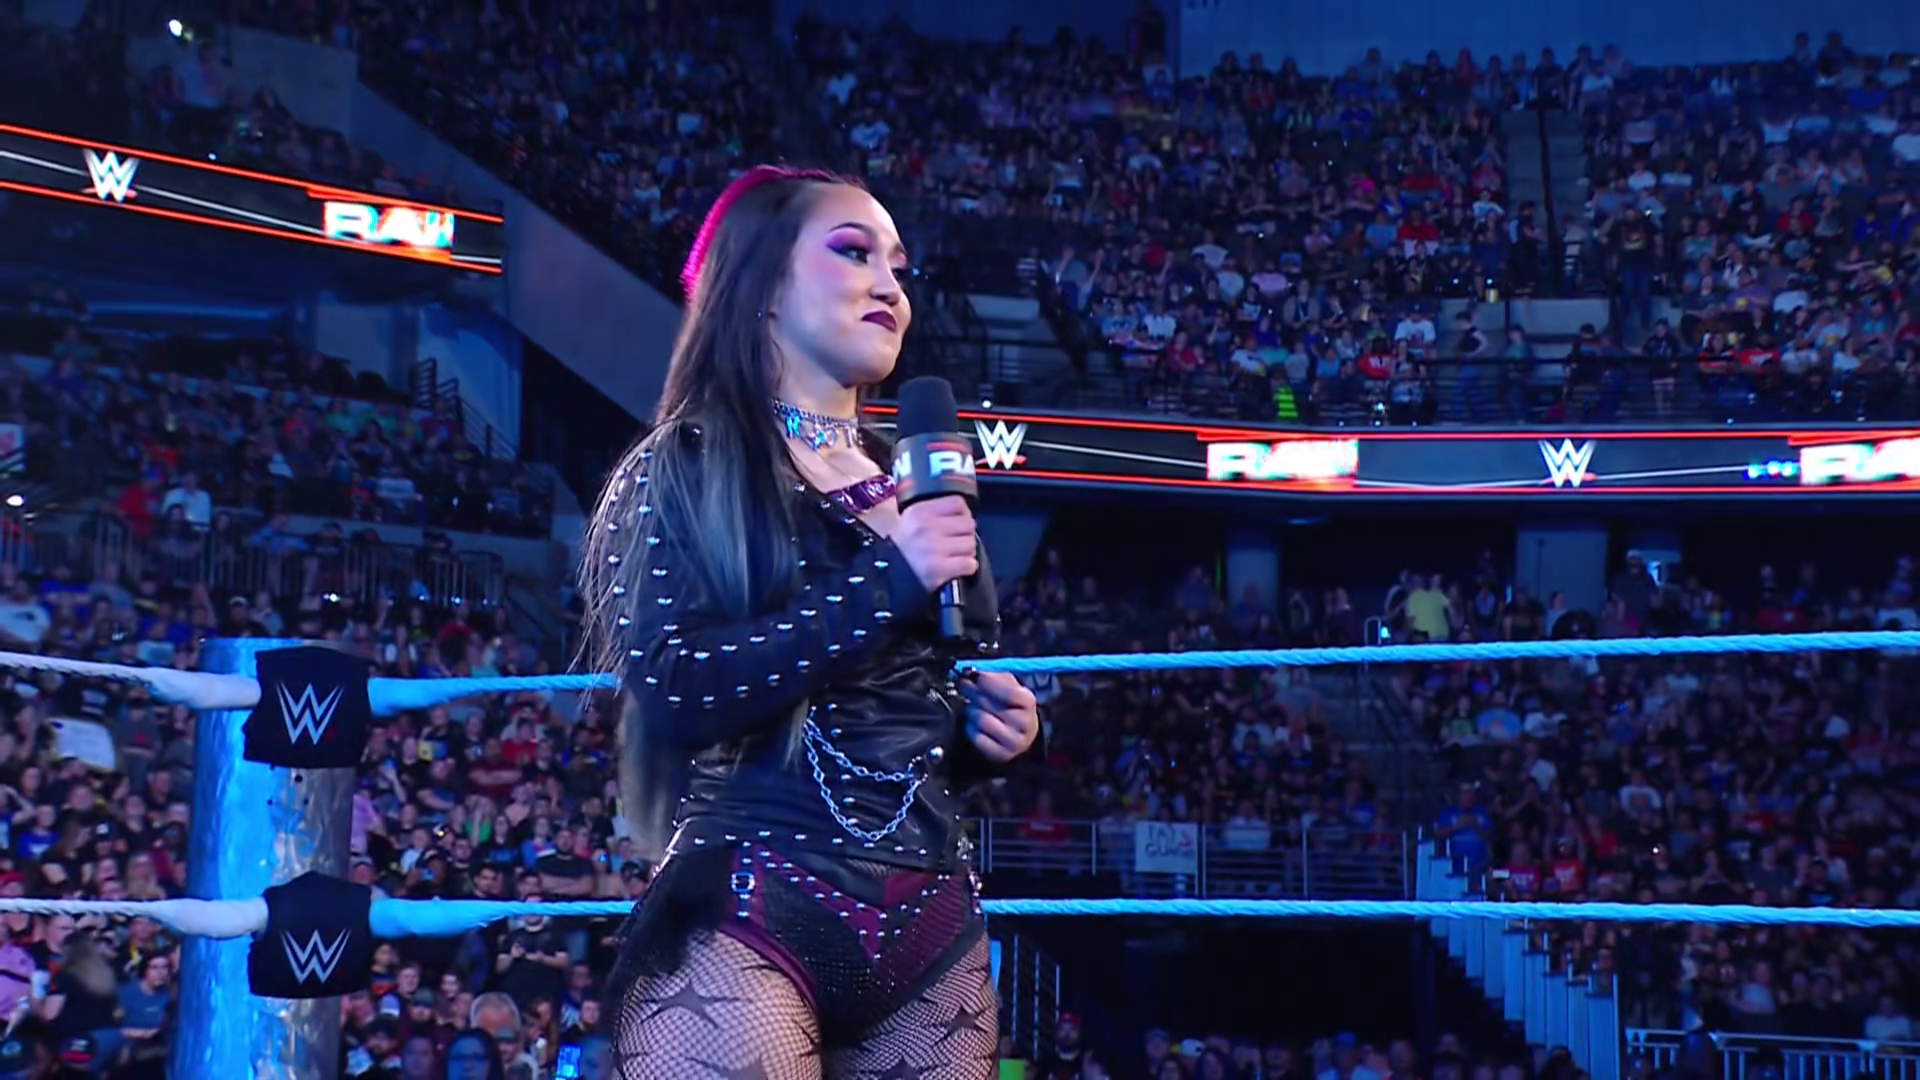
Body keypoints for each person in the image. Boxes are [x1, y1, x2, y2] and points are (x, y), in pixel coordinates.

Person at [579, 164, 1039, 1079]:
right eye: (854, 251)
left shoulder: (920, 483)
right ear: (761, 283)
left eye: (899, 266)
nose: (890, 285)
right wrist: (890, 577)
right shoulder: (686, 462)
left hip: (931, 915)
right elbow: (675, 691)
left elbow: (903, 712)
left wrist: (988, 736)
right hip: (753, 900)